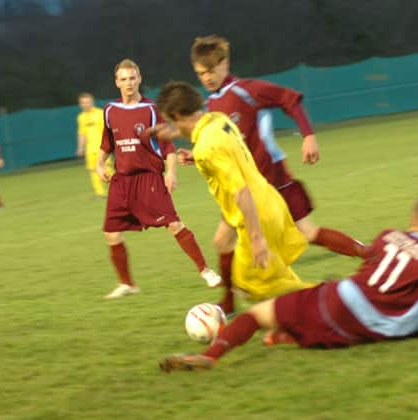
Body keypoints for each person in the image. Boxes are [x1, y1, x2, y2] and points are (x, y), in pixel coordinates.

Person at [159, 195, 418, 372]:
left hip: (337, 293)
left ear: (412, 220)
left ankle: (212, 355)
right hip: (362, 321)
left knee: (259, 315)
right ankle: (288, 334)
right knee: (410, 312)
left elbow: (366, 254)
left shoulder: (387, 236)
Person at [184, 35, 364, 313]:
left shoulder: (246, 89)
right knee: (222, 240)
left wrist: (308, 135)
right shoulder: (211, 107)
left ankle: (369, 254)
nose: (207, 77)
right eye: (201, 73)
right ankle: (230, 302)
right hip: (245, 188)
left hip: (273, 180)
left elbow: (290, 99)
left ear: (225, 62)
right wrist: (193, 156)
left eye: (212, 69)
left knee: (309, 232)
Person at [153, 81, 313, 306]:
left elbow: (241, 192)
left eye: (171, 120)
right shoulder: (219, 119)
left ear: (178, 114)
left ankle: (328, 294)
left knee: (250, 287)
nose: (172, 126)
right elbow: (229, 151)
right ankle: (255, 312)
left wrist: (257, 239)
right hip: (269, 201)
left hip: (256, 215)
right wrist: (193, 154)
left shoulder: (207, 147)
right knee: (225, 244)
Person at [97, 59, 220, 299]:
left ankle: (205, 270)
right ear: (116, 82)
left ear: (139, 79)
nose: (128, 83)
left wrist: (170, 172)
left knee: (174, 225)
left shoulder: (151, 109)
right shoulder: (110, 110)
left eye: (132, 78)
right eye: (123, 79)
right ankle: (127, 284)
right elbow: (106, 143)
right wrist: (99, 163)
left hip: (149, 179)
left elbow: (168, 146)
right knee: (111, 233)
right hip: (122, 181)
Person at [76, 92, 108, 197]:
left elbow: (107, 131)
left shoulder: (100, 113)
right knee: (93, 171)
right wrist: (80, 148)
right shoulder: (81, 117)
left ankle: (118, 190)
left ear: (92, 102)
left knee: (107, 169)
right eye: (83, 103)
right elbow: (82, 134)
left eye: (88, 102)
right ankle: (100, 193)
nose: (86, 104)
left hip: (102, 148)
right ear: (80, 104)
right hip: (90, 149)